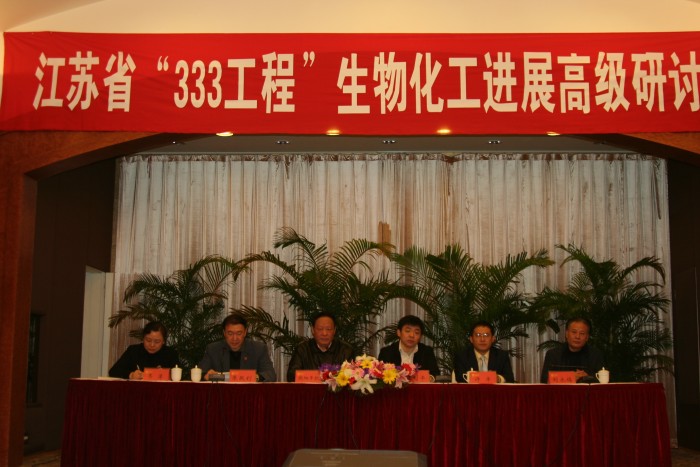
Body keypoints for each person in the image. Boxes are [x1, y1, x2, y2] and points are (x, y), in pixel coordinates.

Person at [199, 314, 277, 382]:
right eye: (230, 333)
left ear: (245, 332)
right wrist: (206, 375)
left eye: (239, 333)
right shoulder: (213, 349)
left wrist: (254, 377)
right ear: (224, 333)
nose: (234, 338)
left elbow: (270, 375)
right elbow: (200, 373)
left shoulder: (258, 349)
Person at [286, 312, 355, 381]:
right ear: (312, 330)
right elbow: (292, 376)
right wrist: (321, 377)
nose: (324, 333)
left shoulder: (345, 350)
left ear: (334, 330)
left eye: (328, 329)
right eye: (320, 329)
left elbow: (352, 377)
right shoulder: (302, 349)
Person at [540, 317, 605, 383]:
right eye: (574, 332)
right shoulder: (553, 354)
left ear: (587, 337)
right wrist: (571, 377)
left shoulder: (595, 355)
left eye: (582, 333)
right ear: (566, 334)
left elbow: (603, 380)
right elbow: (545, 380)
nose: (577, 336)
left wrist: (587, 377)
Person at [109, 321, 180, 380]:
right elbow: (113, 371)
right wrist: (131, 375)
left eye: (157, 341)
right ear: (143, 338)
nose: (152, 345)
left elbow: (180, 376)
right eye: (148, 340)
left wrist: (166, 375)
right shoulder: (133, 351)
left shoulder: (171, 354)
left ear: (164, 341)